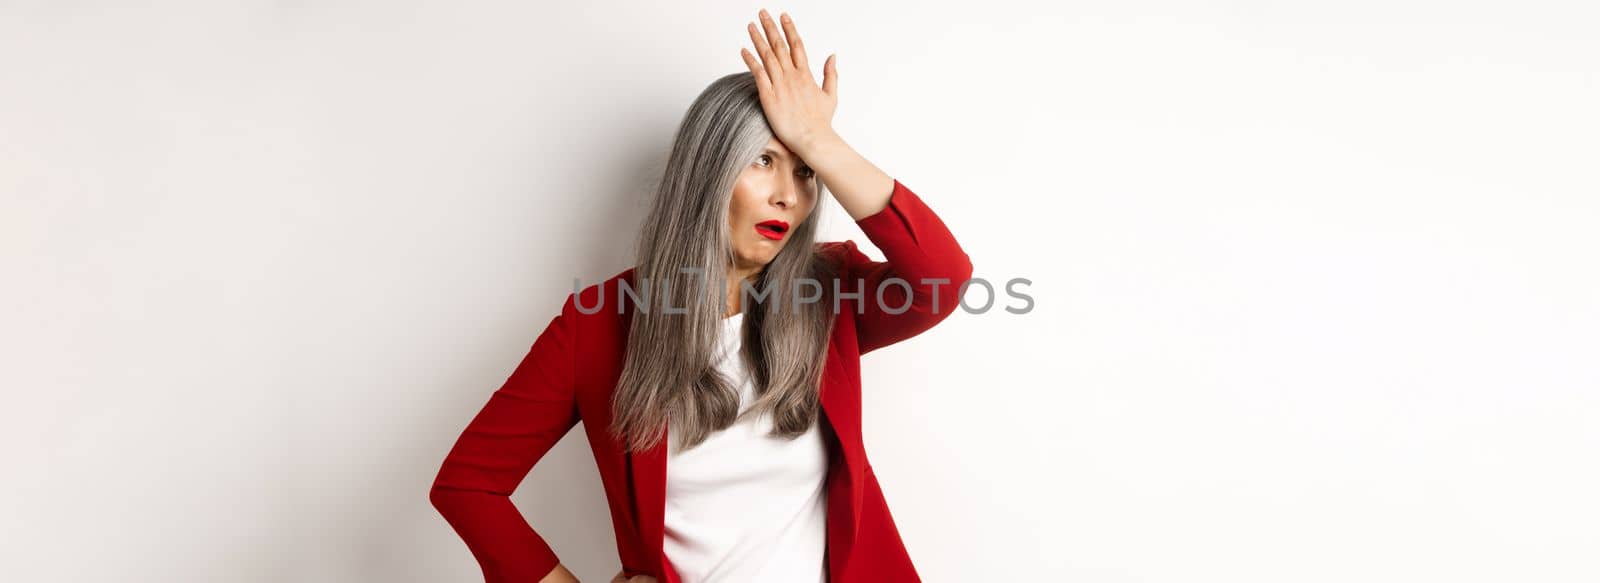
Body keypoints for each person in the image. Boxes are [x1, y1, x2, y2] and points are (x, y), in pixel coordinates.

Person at [428, 9, 973, 583]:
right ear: (708, 171)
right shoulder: (597, 324)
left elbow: (940, 277)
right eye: (763, 161)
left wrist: (820, 139)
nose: (788, 195)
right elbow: (469, 483)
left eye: (805, 171)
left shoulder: (829, 290)